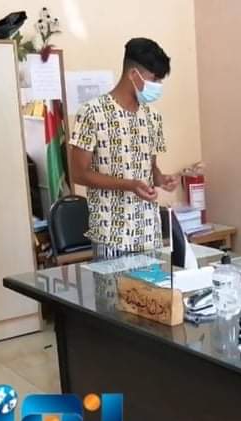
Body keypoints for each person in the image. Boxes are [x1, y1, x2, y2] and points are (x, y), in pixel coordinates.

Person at [69, 37, 180, 259]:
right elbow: (78, 173)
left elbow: (150, 167)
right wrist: (129, 185)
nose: (157, 86)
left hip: (149, 234)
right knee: (113, 285)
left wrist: (161, 179)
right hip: (111, 235)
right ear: (133, 74)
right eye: (154, 79)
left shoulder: (152, 116)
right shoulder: (92, 112)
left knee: (156, 283)